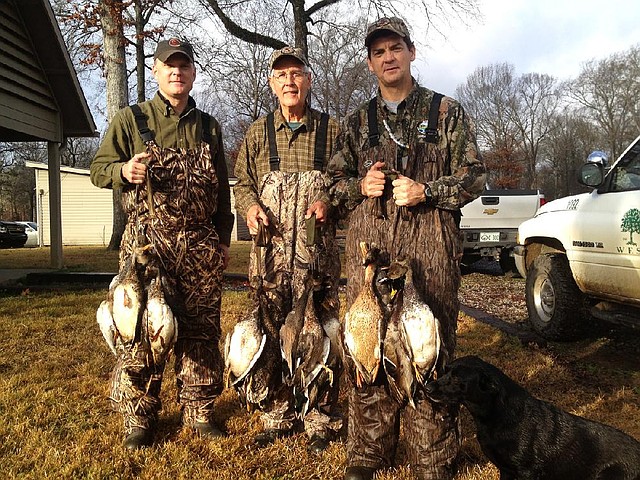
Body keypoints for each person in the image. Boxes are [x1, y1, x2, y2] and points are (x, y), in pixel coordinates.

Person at [327, 17, 486, 480]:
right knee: (367, 345)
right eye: (378, 52)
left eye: (394, 47)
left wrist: (428, 192)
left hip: (430, 250)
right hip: (369, 248)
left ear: (411, 52)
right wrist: (360, 185)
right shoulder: (357, 122)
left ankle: (432, 456)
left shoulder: (445, 112)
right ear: (370, 62)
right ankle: (367, 453)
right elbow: (332, 187)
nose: (388, 57)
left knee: (428, 350)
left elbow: (476, 176)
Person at [90, 38, 234, 449]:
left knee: (201, 331)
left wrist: (223, 239)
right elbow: (98, 170)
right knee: (141, 333)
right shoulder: (130, 120)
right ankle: (139, 417)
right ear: (155, 71)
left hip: (201, 246)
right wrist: (123, 170)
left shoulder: (209, 126)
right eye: (168, 66)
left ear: (192, 73)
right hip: (147, 248)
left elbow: (222, 190)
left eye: (184, 66)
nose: (177, 73)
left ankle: (200, 410)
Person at [233, 46, 342, 453]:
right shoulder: (257, 133)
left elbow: (345, 180)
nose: (290, 82)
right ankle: (276, 413)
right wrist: (250, 206)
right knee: (270, 330)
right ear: (271, 83)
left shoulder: (333, 131)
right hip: (270, 256)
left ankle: (319, 418)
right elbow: (242, 182)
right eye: (282, 76)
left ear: (309, 80)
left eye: (297, 73)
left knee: (322, 331)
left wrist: (329, 201)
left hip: (317, 258)